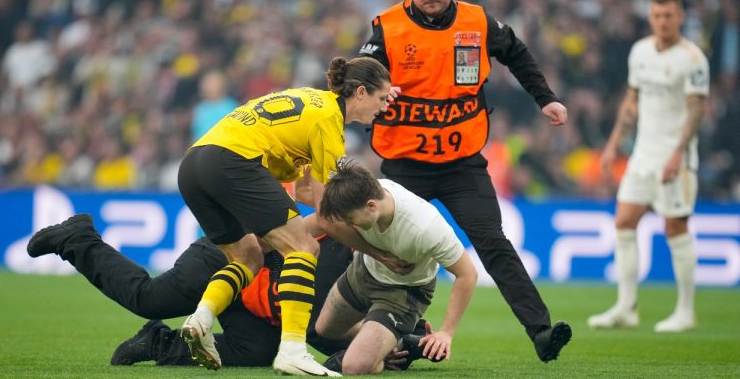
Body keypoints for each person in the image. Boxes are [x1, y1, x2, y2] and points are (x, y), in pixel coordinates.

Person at [358, 0, 571, 362]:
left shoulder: (478, 21)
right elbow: (358, 77)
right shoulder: (388, 28)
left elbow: (518, 54)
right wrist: (379, 91)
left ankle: (542, 332)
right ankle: (358, 336)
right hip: (404, 167)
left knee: (493, 243)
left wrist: (545, 99)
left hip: (461, 165)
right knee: (369, 249)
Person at [177, 56, 395, 375]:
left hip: (195, 165)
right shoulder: (329, 122)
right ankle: (292, 349)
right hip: (234, 161)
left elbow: (309, 191)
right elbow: (330, 216)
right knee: (304, 248)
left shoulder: (310, 100)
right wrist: (378, 252)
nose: (383, 107)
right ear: (360, 93)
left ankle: (200, 320)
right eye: (381, 98)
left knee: (249, 257)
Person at [25, 213, 353, 366]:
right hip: (228, 255)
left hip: (251, 290)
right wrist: (366, 347)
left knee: (258, 349)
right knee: (149, 298)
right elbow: (316, 327)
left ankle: (158, 343)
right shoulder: (338, 255)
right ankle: (77, 238)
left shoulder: (351, 257)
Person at [587, 0, 709, 333]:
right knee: (624, 222)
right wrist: (612, 145)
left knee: (675, 227)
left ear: (680, 17)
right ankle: (627, 308)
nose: (663, 21)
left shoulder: (693, 59)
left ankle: (685, 311)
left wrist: (678, 153)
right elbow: (631, 102)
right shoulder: (640, 52)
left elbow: (697, 111)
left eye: (669, 15)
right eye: (657, 15)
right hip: (642, 154)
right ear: (651, 17)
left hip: (677, 157)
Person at [308, 159, 477, 375]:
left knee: (354, 366)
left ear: (371, 206)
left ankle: (373, 355)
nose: (349, 225)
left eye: (350, 219)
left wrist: (446, 333)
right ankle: (399, 345)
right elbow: (322, 222)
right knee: (324, 330)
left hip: (403, 293)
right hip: (363, 271)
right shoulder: (359, 194)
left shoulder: (425, 226)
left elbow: (467, 274)